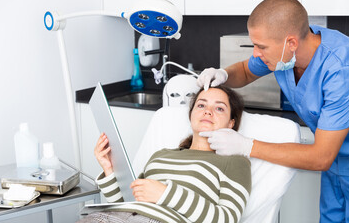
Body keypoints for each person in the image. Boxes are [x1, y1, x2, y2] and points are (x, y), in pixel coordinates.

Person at [197, 0, 349, 222]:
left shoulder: (342, 69)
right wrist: (222, 74)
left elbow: (321, 156)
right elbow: (245, 71)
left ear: (291, 43)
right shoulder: (286, 50)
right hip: (335, 159)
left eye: (261, 47)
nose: (255, 53)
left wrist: (247, 146)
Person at [79, 86, 251, 223]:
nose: (208, 111)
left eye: (219, 108)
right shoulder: (161, 156)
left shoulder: (235, 161)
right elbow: (127, 206)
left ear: (231, 123)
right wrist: (110, 170)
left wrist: (165, 194)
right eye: (201, 105)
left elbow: (226, 219)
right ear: (191, 114)